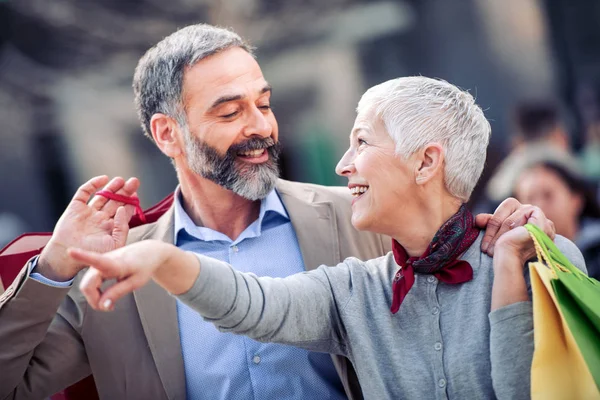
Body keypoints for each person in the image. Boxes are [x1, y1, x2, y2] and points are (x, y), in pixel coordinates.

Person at [0, 25, 551, 400]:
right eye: (230, 111)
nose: (261, 126)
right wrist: (51, 265)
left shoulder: (363, 221)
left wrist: (513, 232)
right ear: (169, 134)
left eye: (263, 103)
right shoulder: (113, 270)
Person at [514, 159, 600, 280]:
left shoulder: (596, 250)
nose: (539, 207)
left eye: (548, 195)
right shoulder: (519, 262)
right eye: (530, 198)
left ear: (576, 200)